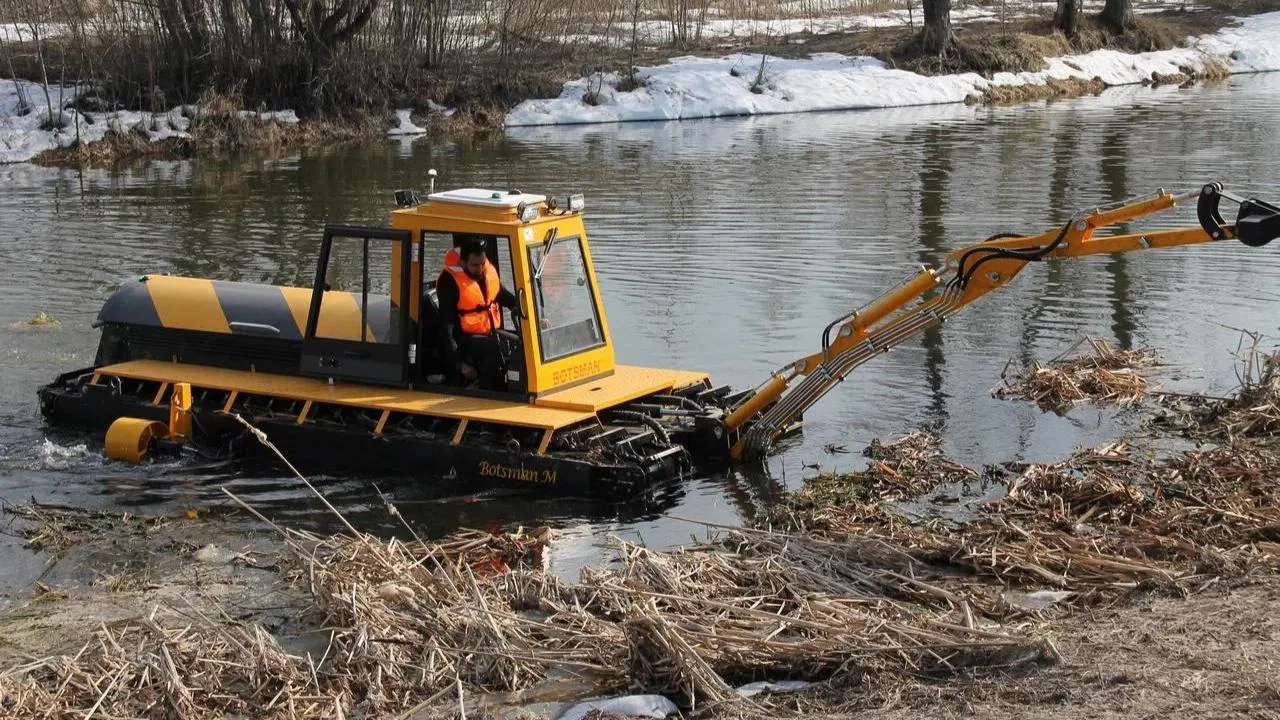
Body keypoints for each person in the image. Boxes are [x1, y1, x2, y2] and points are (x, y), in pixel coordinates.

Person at [436, 237, 519, 390]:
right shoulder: (449, 282)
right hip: (463, 338)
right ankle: (488, 394)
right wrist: (460, 364)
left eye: (482, 264)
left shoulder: (484, 273)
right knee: (495, 349)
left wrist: (525, 310)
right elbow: (446, 329)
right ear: (463, 263)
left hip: (488, 333)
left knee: (519, 344)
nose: (480, 270)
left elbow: (502, 295)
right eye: (475, 265)